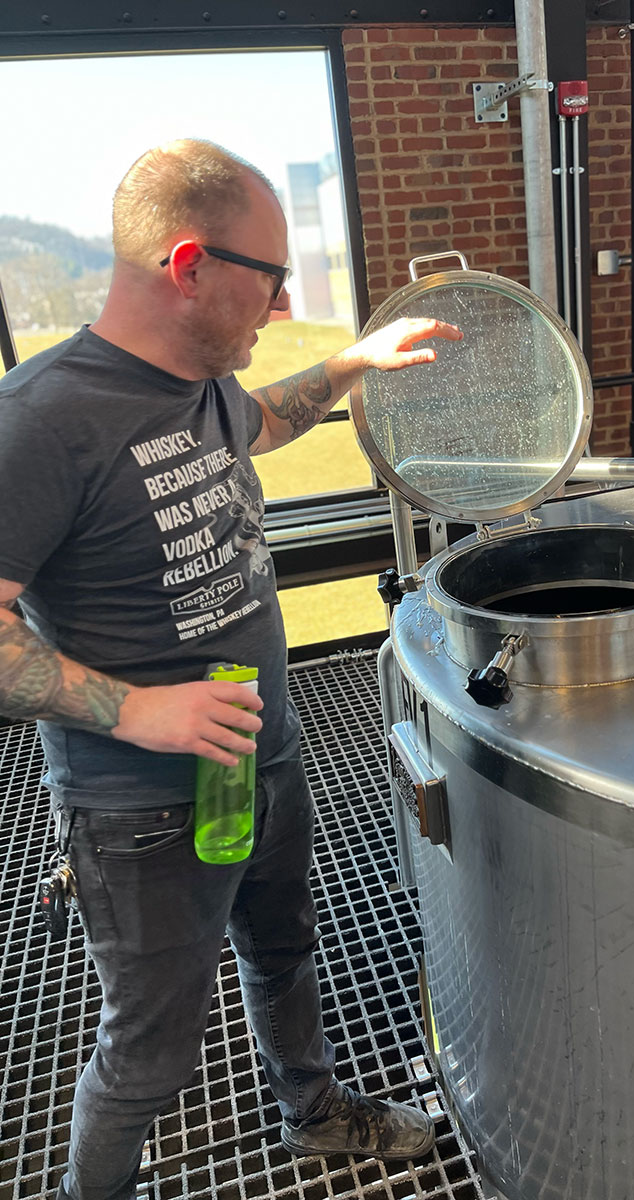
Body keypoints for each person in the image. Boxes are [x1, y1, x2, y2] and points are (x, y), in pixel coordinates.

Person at [0, 138, 463, 1200]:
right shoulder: (41, 420)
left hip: (265, 751)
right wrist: (135, 712)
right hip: (141, 809)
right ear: (189, 264)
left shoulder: (201, 383)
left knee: (285, 947)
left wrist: (356, 361)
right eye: (271, 276)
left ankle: (312, 1115)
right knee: (147, 1055)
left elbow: (268, 420)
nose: (282, 300)